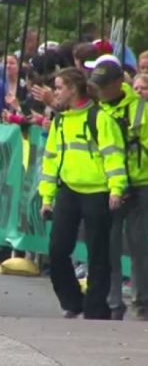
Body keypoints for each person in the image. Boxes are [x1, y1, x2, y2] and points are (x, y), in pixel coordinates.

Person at [39, 67, 127, 320]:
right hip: (68, 191)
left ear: (72, 89)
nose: (55, 92)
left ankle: (95, 310)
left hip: (98, 192)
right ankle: (72, 301)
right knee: (57, 249)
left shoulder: (101, 118)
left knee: (98, 253)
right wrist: (46, 197)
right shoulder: (60, 120)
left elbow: (113, 156)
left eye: (58, 87)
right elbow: (50, 161)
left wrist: (116, 188)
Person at [84, 55, 148, 321]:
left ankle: (141, 303)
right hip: (108, 185)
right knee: (107, 246)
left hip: (141, 184)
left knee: (139, 246)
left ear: (117, 83)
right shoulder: (96, 110)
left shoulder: (141, 109)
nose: (98, 89)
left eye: (102, 84)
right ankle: (112, 304)